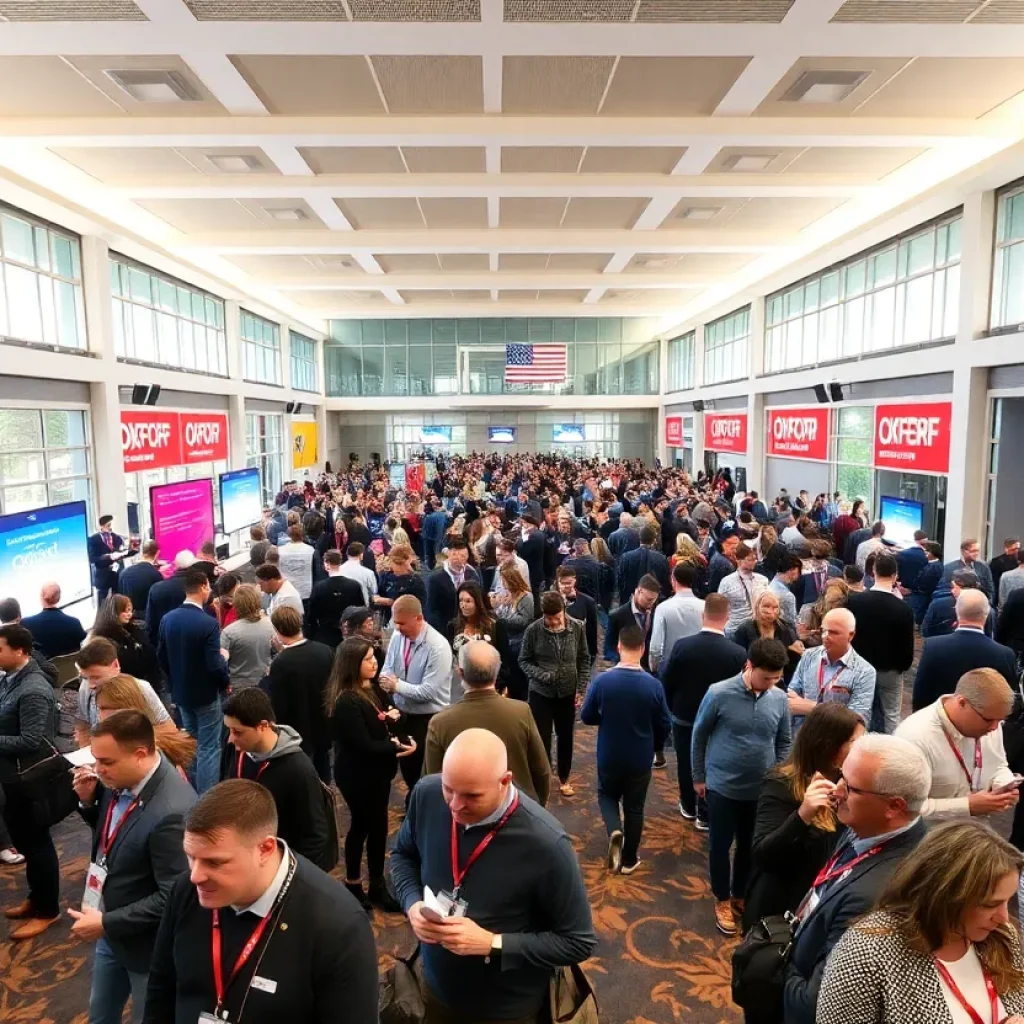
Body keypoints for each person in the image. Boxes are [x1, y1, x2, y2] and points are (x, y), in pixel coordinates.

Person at [390, 728, 597, 1024]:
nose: (454, 806)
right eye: (449, 789)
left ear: (505, 782)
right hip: (433, 988)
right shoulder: (427, 794)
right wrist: (411, 904)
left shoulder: (546, 843)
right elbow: (402, 856)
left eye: (472, 796)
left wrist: (492, 943)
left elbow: (578, 942)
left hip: (504, 1009)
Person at [143, 779, 378, 1024]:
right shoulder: (186, 890)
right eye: (191, 857)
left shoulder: (338, 925)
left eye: (214, 862)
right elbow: (161, 991)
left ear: (265, 849)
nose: (196, 876)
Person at [782, 733, 930, 1024]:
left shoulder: (874, 897)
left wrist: (772, 968)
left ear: (895, 807)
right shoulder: (869, 825)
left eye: (849, 787)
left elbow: (814, 1005)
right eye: (841, 776)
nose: (836, 791)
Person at [817, 820, 1024, 1023]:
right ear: (943, 894)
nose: (1003, 917)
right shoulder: (867, 951)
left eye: (1008, 901)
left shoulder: (1002, 937)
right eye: (989, 904)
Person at [69, 710, 195, 1024]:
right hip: (110, 929)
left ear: (140, 755)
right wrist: (89, 802)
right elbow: (116, 834)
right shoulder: (124, 776)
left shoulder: (171, 813)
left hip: (146, 949)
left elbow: (174, 897)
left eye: (106, 762)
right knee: (101, 1015)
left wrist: (107, 923)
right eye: (96, 759)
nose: (97, 769)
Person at [691, 638, 792, 937]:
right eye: (766, 677)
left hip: (761, 790)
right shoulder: (718, 693)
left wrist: (777, 774)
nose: (772, 683)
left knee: (750, 847)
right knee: (719, 846)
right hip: (722, 787)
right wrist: (698, 777)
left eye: (777, 678)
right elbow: (698, 737)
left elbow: (784, 740)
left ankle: (740, 894)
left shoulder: (779, 698)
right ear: (749, 666)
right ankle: (722, 898)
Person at [741, 703, 865, 936]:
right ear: (829, 745)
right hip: (779, 906)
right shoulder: (782, 783)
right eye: (855, 743)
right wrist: (803, 815)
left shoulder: (847, 782)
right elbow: (763, 855)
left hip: (819, 901)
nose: (863, 749)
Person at [324, 636, 411, 912]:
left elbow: (387, 717)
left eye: (374, 657)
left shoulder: (372, 689)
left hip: (377, 773)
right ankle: (353, 883)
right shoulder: (346, 702)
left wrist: (397, 719)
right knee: (362, 827)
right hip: (358, 776)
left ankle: (376, 883)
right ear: (352, 664)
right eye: (368, 659)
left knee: (379, 828)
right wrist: (397, 747)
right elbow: (365, 745)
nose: (375, 663)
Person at [581, 624, 671, 875]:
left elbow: (586, 716)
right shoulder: (653, 686)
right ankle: (630, 860)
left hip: (609, 752)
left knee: (606, 795)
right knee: (635, 807)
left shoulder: (602, 681)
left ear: (618, 646)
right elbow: (664, 723)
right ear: (642, 649)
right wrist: (654, 744)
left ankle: (614, 829)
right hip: (640, 756)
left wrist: (607, 718)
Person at [425, 640, 550, 806]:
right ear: (496, 673)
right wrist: (538, 807)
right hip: (516, 809)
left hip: (464, 814)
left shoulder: (440, 722)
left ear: (460, 673)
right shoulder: (521, 712)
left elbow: (431, 781)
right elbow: (541, 770)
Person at [659, 593, 747, 828]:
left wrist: (672, 706)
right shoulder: (737, 653)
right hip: (720, 720)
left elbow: (667, 680)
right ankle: (706, 813)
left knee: (685, 761)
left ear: (702, 615)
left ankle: (688, 805)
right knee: (713, 762)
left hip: (685, 715)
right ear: (727, 617)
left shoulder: (682, 646)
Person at [221, 688, 333, 871]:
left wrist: (292, 878)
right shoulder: (236, 748)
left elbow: (314, 837)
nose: (230, 739)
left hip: (276, 866)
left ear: (263, 726)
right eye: (229, 730)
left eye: (238, 732)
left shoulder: (298, 769)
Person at [896, 667, 1020, 821]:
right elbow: (904, 807)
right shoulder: (913, 737)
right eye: (989, 720)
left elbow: (998, 764)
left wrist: (1004, 786)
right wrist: (967, 806)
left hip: (971, 834)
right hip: (931, 841)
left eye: (1000, 720)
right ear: (962, 703)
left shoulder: (990, 719)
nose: (995, 728)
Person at [0, 624, 60, 940]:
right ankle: (36, 898)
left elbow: (32, 740)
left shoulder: (34, 688)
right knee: (25, 841)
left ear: (20, 651)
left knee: (37, 846)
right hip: (11, 778)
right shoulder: (9, 678)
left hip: (29, 781)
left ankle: (48, 910)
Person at [156, 570, 228, 795]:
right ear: (205, 586)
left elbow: (162, 657)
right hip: (206, 694)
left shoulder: (167, 619)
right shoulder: (208, 624)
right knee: (209, 747)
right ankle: (206, 798)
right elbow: (214, 664)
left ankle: (191, 791)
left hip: (181, 692)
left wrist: (174, 681)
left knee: (192, 742)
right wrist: (224, 672)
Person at [378, 594, 453, 802]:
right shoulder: (397, 636)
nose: (398, 627)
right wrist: (385, 680)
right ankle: (414, 808)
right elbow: (387, 668)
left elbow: (427, 692)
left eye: (402, 623)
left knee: (427, 775)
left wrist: (396, 685)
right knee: (409, 771)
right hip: (402, 716)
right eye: (395, 623)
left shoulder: (438, 646)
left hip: (428, 720)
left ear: (418, 618)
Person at [519, 590, 590, 797]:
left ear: (564, 611)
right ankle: (543, 778)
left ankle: (564, 778)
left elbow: (584, 658)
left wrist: (581, 688)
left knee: (566, 737)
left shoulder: (577, 627)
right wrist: (542, 675)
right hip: (541, 693)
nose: (552, 622)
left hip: (567, 692)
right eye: (548, 618)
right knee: (541, 738)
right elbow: (524, 660)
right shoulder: (533, 630)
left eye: (556, 618)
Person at [912, 590, 1017, 711]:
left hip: (943, 718)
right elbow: (1009, 700)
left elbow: (921, 690)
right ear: (987, 614)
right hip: (983, 724)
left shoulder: (933, 647)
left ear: (957, 611)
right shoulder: (1005, 655)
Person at [847, 552, 916, 734]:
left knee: (860, 711)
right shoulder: (903, 608)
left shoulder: (854, 602)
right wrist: (901, 667)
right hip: (890, 670)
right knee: (892, 714)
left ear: (873, 572)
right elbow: (907, 646)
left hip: (859, 666)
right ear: (895, 575)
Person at [266, 606, 333, 778]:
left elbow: (278, 704)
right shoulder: (324, 650)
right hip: (323, 722)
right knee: (323, 768)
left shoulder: (281, 663)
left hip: (296, 730)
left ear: (277, 629)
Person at [787, 608, 876, 729]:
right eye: (823, 630)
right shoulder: (809, 656)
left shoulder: (865, 671)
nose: (825, 637)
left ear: (851, 635)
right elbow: (791, 698)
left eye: (834, 632)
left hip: (837, 741)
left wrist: (812, 708)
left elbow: (856, 719)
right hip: (802, 736)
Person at [75, 637, 173, 744]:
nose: (90, 685)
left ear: (116, 665)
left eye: (96, 677)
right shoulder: (85, 689)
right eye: (86, 678)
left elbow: (168, 729)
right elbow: (83, 724)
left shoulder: (141, 688)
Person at [94, 675, 197, 775]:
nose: (99, 715)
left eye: (102, 708)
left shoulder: (148, 751)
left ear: (121, 708)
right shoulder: (144, 739)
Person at [732, 590, 802, 687]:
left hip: (779, 680)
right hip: (752, 679)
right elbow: (738, 658)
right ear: (757, 607)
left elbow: (793, 660)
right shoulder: (745, 629)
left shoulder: (785, 629)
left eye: (775, 607)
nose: (770, 611)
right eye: (766, 606)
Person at [90, 594, 162, 687]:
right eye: (125, 611)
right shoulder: (104, 638)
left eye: (130, 610)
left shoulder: (133, 629)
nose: (130, 614)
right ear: (115, 612)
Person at [649, 562, 704, 673]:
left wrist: (654, 667)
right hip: (699, 666)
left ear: (673, 580)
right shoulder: (705, 606)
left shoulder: (663, 608)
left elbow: (656, 646)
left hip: (671, 667)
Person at [491, 564, 534, 702]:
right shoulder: (508, 596)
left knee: (519, 676)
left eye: (505, 581)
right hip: (508, 641)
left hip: (520, 643)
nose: (503, 584)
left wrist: (502, 615)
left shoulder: (526, 597)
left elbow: (524, 620)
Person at [219, 584, 275, 690]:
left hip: (238, 686)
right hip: (264, 682)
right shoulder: (271, 625)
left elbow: (221, 663)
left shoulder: (229, 632)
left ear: (236, 604)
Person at [426, 536, 482, 635]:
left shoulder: (473, 573)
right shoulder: (435, 578)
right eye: (455, 554)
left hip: (470, 627)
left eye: (463, 555)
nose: (459, 558)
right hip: (445, 628)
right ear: (448, 554)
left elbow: (479, 599)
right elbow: (431, 610)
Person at [923, 569, 997, 638]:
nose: (952, 591)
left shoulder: (937, 605)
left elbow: (927, 631)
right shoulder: (987, 608)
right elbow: (990, 635)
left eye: (954, 587)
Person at [20, 581, 86, 658]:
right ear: (59, 597)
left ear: (41, 596)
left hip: (43, 669)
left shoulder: (26, 625)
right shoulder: (75, 623)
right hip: (71, 669)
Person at [605, 574, 660, 663]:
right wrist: (620, 660)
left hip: (649, 670)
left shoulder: (657, 613)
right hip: (625, 668)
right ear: (638, 591)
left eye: (654, 600)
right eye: (649, 600)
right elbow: (609, 648)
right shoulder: (617, 616)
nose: (651, 604)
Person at [144, 551, 194, 647]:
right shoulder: (200, 588)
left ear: (175, 565)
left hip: (164, 642)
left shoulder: (157, 588)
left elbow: (151, 621)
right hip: (193, 643)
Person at [718, 542, 769, 636]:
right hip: (734, 630)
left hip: (758, 629)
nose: (754, 562)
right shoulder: (726, 582)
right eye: (750, 559)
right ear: (738, 559)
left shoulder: (762, 580)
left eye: (755, 559)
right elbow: (720, 608)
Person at [554, 565, 598, 667]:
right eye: (562, 583)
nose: (566, 586)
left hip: (577, 652)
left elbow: (591, 630)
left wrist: (592, 653)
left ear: (574, 581)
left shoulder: (587, 602)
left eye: (569, 583)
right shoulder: (550, 599)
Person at [374, 543, 426, 625]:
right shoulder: (386, 575)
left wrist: (386, 601)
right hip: (387, 619)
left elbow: (411, 604)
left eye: (394, 563)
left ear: (404, 563)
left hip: (407, 621)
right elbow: (377, 595)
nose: (391, 566)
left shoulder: (414, 581)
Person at [616, 524, 671, 600]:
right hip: (653, 599)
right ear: (654, 540)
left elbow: (620, 580)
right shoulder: (661, 558)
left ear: (640, 538)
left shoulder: (626, 557)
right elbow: (665, 581)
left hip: (631, 598)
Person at [117, 540, 163, 618]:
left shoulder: (123, 573)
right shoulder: (156, 575)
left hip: (127, 619)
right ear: (157, 553)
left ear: (142, 552)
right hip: (146, 619)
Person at [89, 514, 128, 603]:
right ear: (101, 526)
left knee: (118, 600)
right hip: (103, 575)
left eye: (111, 525)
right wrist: (107, 557)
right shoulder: (93, 540)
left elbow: (121, 552)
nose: (110, 528)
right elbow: (92, 558)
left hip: (117, 574)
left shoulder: (117, 538)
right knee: (102, 602)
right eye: (108, 526)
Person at [943, 537, 996, 602]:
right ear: (963, 551)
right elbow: (944, 589)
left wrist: (988, 603)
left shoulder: (984, 567)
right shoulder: (949, 568)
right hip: (957, 605)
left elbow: (990, 589)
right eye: (973, 551)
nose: (976, 553)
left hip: (980, 605)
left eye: (977, 551)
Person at [276, 523, 315, 607]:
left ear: (289, 535)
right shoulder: (310, 550)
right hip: (305, 591)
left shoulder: (280, 550)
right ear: (302, 535)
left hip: (287, 591)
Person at [767, 552, 802, 631]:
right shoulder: (787, 596)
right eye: (798, 571)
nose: (799, 574)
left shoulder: (771, 584)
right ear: (792, 570)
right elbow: (792, 623)